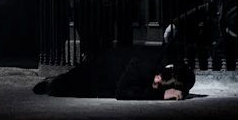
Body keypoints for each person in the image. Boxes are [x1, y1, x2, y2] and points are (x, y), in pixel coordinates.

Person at [32, 44, 195, 100]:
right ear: (159, 75)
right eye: (155, 83)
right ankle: (52, 81)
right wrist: (161, 95)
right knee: (59, 88)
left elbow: (186, 80)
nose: (153, 85)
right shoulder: (145, 64)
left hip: (117, 73)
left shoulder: (177, 69)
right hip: (102, 71)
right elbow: (122, 91)